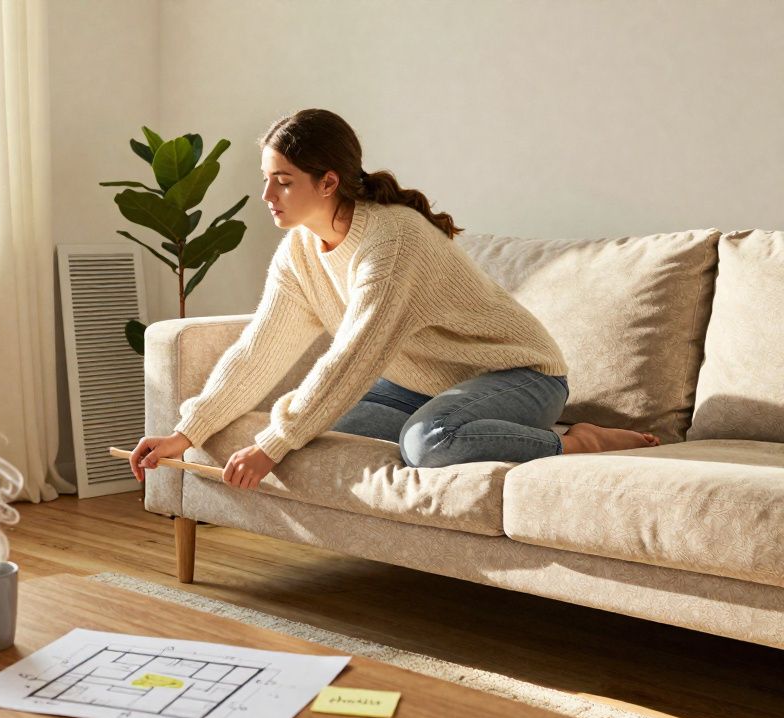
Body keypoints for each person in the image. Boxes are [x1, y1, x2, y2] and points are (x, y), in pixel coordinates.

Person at [130, 108, 659, 491]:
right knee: (317, 429)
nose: (267, 197)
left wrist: (273, 445)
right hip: (419, 384)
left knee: (428, 443)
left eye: (283, 182)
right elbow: (259, 349)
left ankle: (581, 441)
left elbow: (353, 355)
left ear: (328, 181)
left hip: (519, 376)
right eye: (267, 181)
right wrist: (186, 430)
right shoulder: (299, 252)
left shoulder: (392, 239)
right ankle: (493, 433)